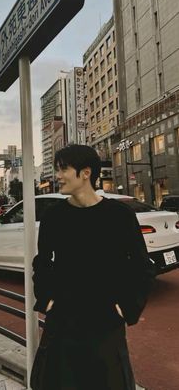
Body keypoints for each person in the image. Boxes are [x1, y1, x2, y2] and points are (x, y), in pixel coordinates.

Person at [32, 144, 155, 390]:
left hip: (105, 322)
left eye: (63, 169)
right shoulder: (54, 216)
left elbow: (142, 266)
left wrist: (127, 307)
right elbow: (42, 263)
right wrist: (47, 300)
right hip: (63, 322)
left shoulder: (119, 215)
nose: (58, 176)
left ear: (86, 172)